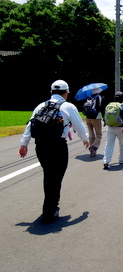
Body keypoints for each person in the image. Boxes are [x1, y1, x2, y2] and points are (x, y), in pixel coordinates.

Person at [18, 80, 89, 224]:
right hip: (58, 147)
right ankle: (49, 211)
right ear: (66, 93)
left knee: (49, 175)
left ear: (51, 92)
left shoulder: (40, 106)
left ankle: (50, 208)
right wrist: (85, 139)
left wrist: (23, 144)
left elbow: (30, 125)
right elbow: (78, 125)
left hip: (41, 147)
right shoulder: (68, 106)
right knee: (55, 177)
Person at [102, 91, 123, 169]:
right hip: (120, 127)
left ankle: (106, 161)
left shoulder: (110, 105)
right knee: (122, 143)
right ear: (122, 98)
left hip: (110, 127)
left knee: (109, 144)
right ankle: (122, 159)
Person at [84, 88, 106, 157]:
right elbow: (102, 109)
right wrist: (104, 118)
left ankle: (93, 152)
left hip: (88, 117)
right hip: (96, 118)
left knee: (91, 135)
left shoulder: (89, 98)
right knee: (99, 135)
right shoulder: (100, 97)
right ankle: (93, 147)